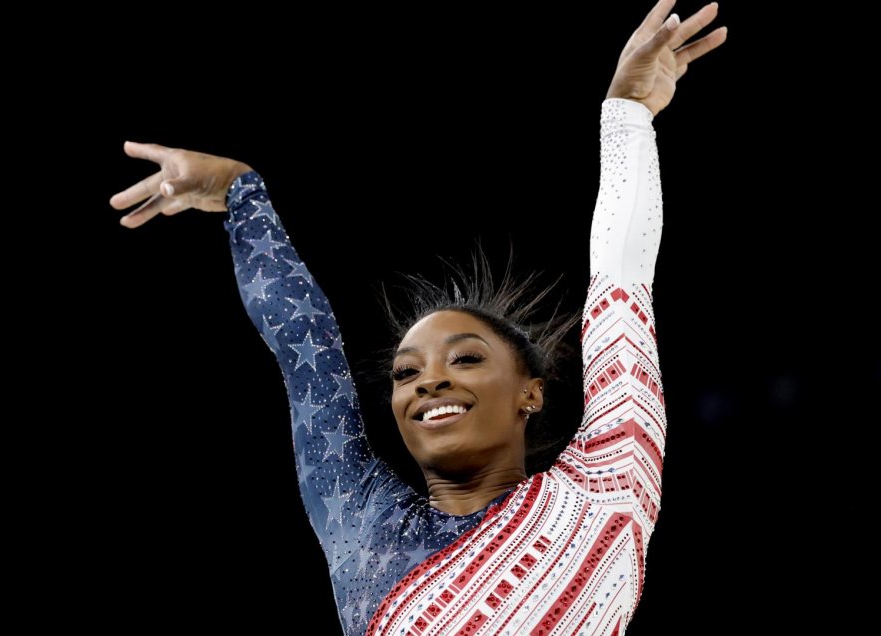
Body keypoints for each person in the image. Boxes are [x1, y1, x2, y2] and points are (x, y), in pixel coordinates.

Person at [109, 1, 726, 633]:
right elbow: (309, 357)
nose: (428, 382)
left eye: (466, 358)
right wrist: (244, 193)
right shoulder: (361, 520)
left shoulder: (606, 491)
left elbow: (622, 277)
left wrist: (627, 116)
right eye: (406, 374)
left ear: (531, 394)